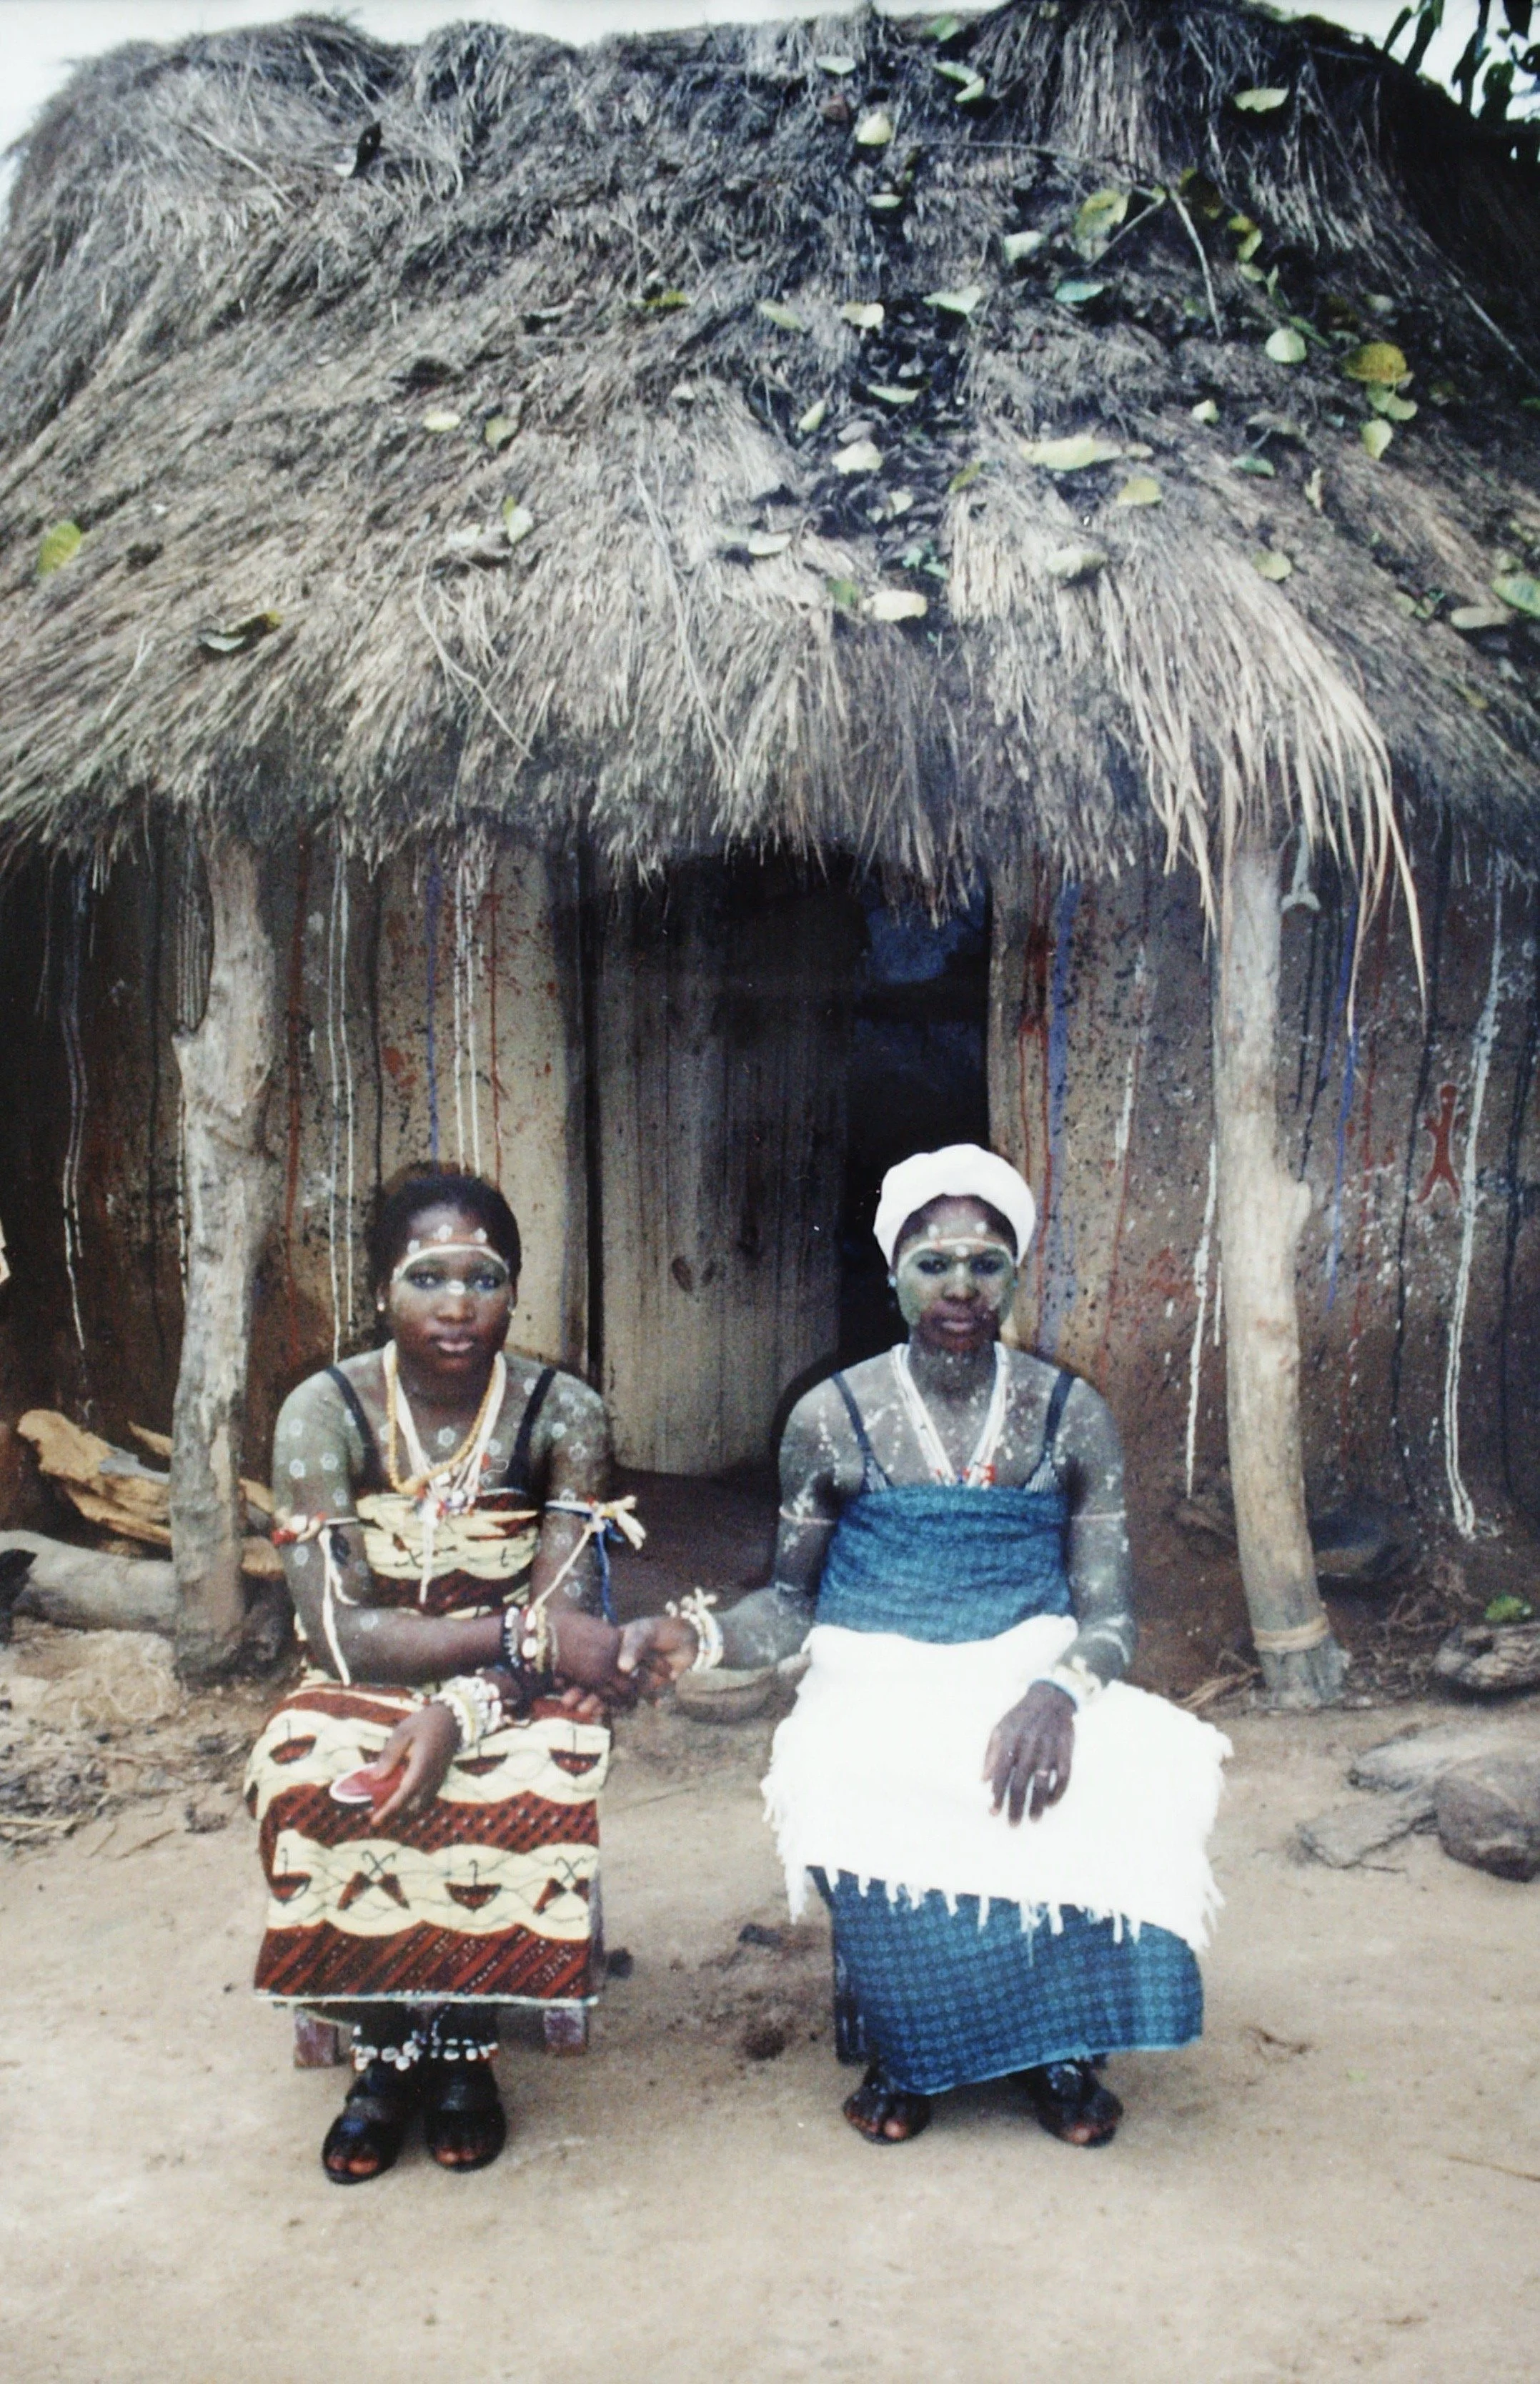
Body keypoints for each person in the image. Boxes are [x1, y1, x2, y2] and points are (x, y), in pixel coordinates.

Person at [632, 1144, 1228, 2148]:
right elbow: (791, 1603)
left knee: (1132, 1764)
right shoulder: (831, 1417)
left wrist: (1057, 1694)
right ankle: (908, 2049)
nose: (960, 1287)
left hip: (1029, 1662)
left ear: (1015, 1275)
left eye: (986, 1263)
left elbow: (1111, 1616)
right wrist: (698, 1637)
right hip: (877, 1667)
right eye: (934, 1263)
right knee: (853, 1763)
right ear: (894, 1275)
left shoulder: (1069, 1415)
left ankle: (1058, 2046)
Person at [245, 1169, 677, 2183]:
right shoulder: (323, 1410)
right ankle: (384, 2048)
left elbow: (569, 1621)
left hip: (512, 1687)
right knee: (307, 1767)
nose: (455, 1305)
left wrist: (469, 1705)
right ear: (381, 1292)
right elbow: (340, 1633)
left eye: (481, 1279)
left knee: (537, 1769)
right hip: (367, 1675)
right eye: (427, 1277)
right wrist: (523, 1643)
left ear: (513, 1291)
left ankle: (463, 2048)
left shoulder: (563, 1413)